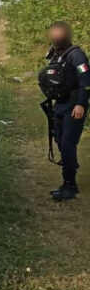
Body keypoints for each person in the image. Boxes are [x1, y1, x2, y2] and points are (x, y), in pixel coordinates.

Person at [43, 21, 90, 201]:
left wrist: (81, 105)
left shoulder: (76, 55)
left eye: (58, 34)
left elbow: (86, 82)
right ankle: (69, 176)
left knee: (68, 145)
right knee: (61, 141)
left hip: (74, 105)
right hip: (61, 104)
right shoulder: (57, 53)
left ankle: (69, 185)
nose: (55, 38)